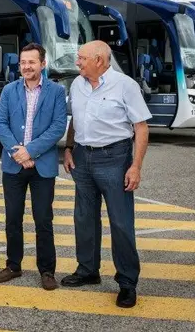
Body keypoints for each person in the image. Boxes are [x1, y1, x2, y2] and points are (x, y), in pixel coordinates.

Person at [61, 40, 151, 309]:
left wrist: (136, 166)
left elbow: (141, 128)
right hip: (82, 159)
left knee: (121, 222)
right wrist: (68, 148)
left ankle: (127, 283)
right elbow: (76, 119)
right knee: (84, 218)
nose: (77, 62)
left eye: (81, 58)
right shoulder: (77, 84)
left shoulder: (125, 85)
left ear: (99, 60)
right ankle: (88, 270)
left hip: (115, 158)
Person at [0, 43, 67, 290]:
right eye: (23, 62)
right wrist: (19, 153)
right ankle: (13, 265)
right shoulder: (8, 91)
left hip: (42, 166)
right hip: (14, 165)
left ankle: (47, 270)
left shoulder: (56, 91)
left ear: (42, 64)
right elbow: (1, 124)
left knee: (43, 219)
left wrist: (31, 151)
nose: (26, 66)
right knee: (12, 218)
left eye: (31, 62)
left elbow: (58, 127)